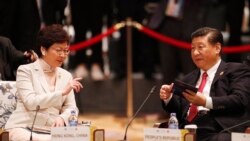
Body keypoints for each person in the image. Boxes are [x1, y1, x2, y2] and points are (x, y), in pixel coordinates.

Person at [159, 27, 250, 141]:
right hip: (187, 130)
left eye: (200, 47)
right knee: (158, 136)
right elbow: (179, 111)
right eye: (192, 48)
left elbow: (240, 100)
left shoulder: (236, 70)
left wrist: (205, 102)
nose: (195, 52)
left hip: (217, 129)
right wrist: (169, 98)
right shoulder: (187, 79)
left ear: (217, 48)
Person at [4, 24, 83, 140]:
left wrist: (62, 118)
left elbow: (71, 108)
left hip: (52, 130)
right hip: (24, 128)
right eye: (58, 50)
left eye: (66, 51)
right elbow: (31, 102)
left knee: (80, 137)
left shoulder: (66, 75)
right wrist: (61, 93)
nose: (63, 55)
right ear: (43, 49)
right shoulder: (25, 71)